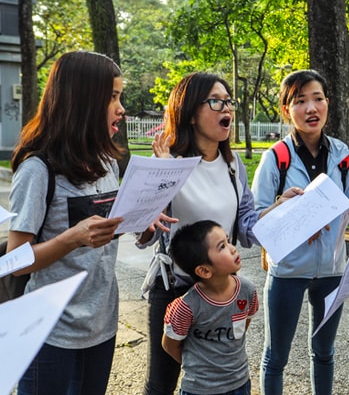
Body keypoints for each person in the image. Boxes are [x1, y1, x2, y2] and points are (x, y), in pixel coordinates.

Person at [136, 72, 300, 395]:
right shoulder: (168, 159)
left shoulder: (233, 164)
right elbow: (145, 236)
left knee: (220, 382)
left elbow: (247, 228)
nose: (226, 108)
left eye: (228, 101)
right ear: (190, 112)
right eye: (215, 101)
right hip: (176, 290)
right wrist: (160, 180)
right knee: (161, 384)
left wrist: (279, 206)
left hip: (221, 292)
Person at [9, 51, 125, 394]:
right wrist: (71, 239)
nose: (121, 108)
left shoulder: (108, 163)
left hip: (102, 326)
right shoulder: (38, 168)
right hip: (49, 331)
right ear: (84, 100)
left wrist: (144, 221)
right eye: (113, 97)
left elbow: (106, 233)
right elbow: (15, 261)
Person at [252, 69, 349, 395]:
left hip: (333, 269)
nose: (311, 108)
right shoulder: (275, 157)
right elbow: (254, 220)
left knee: (324, 353)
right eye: (300, 101)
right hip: (288, 270)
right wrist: (282, 206)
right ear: (286, 109)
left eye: (317, 99)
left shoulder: (343, 154)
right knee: (276, 357)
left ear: (328, 104)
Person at [162, 220, 258, 395]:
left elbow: (242, 327)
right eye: (222, 247)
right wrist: (198, 369)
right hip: (199, 389)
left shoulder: (247, 290)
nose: (233, 248)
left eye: (228, 241)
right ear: (204, 271)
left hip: (239, 383)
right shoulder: (186, 306)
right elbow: (170, 344)